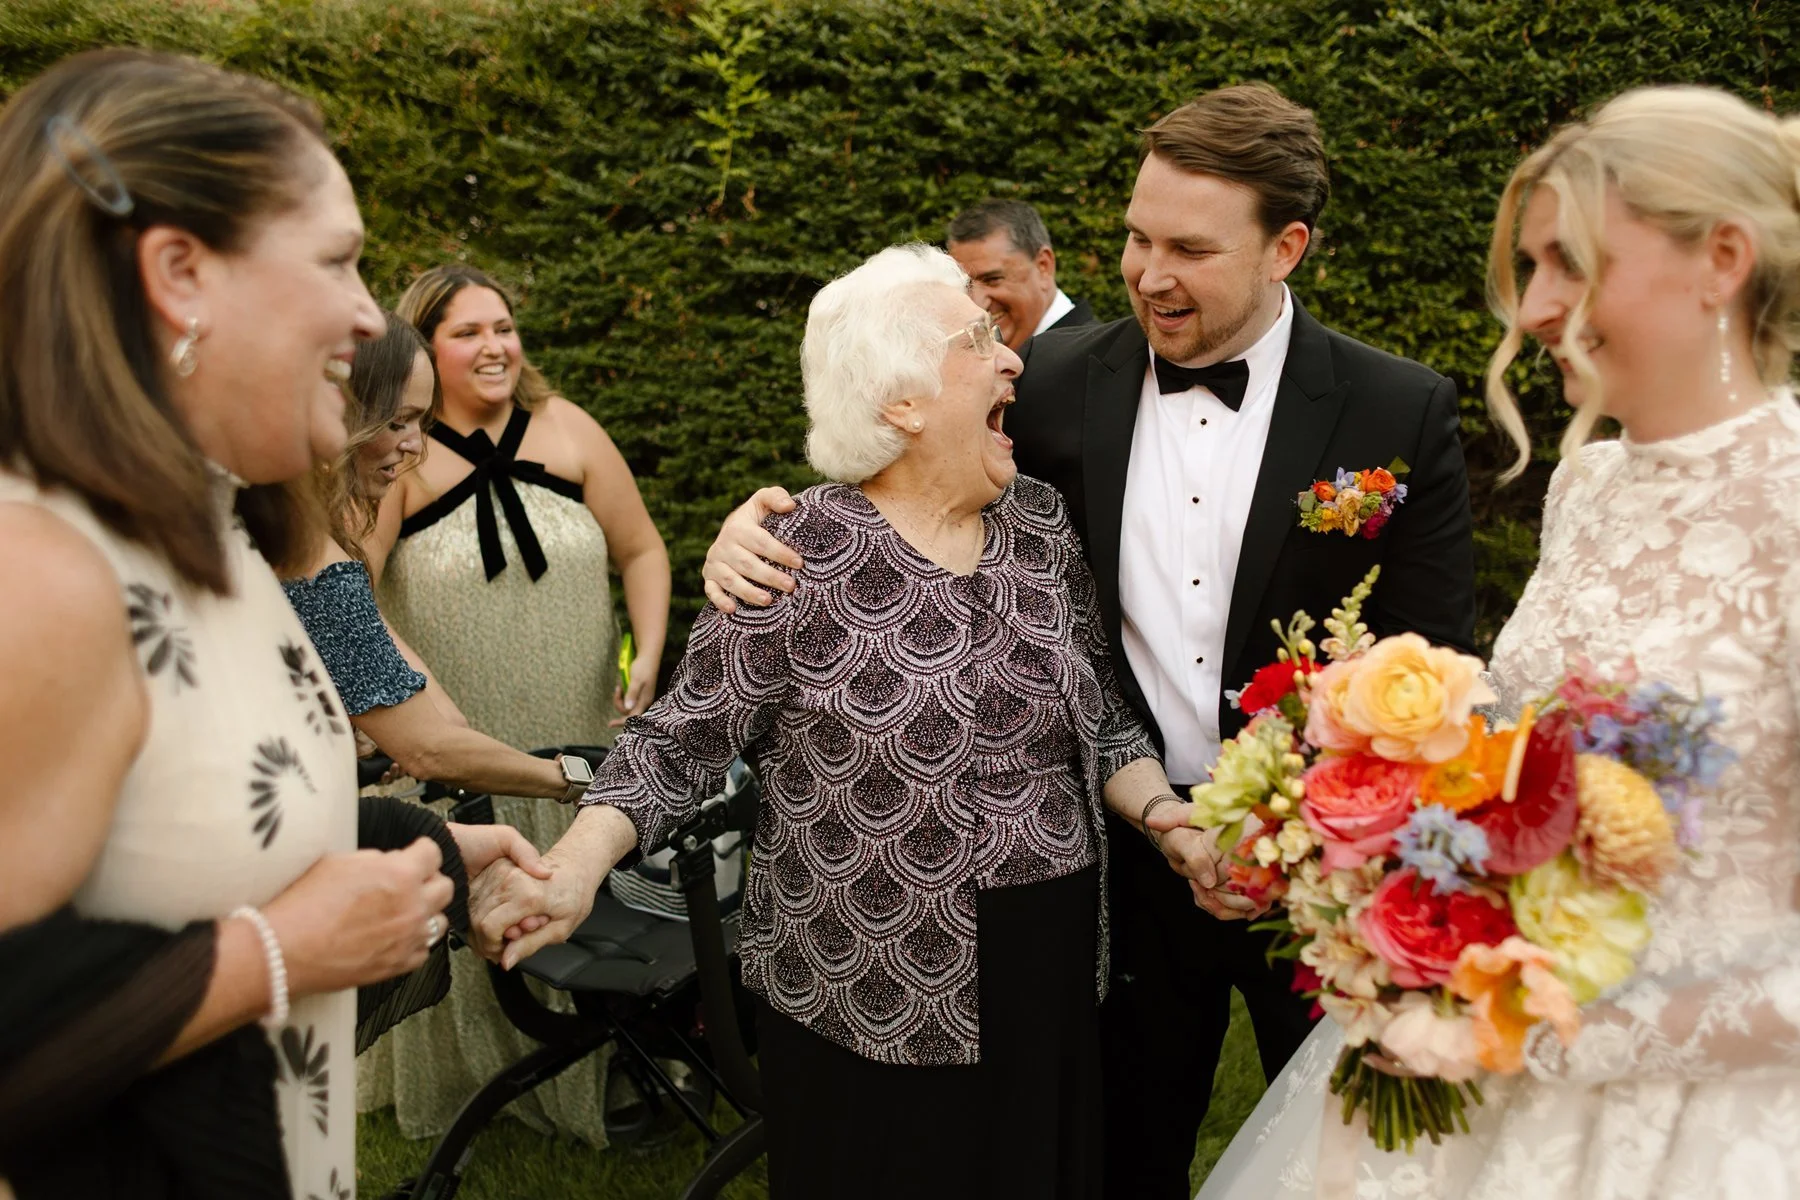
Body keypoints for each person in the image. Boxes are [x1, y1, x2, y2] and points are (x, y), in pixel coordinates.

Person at [702, 83, 1478, 1197]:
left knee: (1363, 1156)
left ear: (1286, 248)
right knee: (1119, 1158)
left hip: (1326, 871)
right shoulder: (1058, 384)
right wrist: (753, 524)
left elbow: (1433, 656)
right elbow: (902, 477)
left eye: (1189, 249)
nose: (1148, 273)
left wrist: (1305, 830)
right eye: (1135, 236)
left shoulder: (1396, 409)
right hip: (1122, 868)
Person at [470, 243, 1201, 1200]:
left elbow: (1101, 719)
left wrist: (1163, 818)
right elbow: (679, 740)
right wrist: (572, 867)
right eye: (978, 338)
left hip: (1051, 961)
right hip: (866, 980)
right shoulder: (794, 554)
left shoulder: (1041, 525)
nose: (1013, 356)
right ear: (901, 403)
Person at [1198, 84, 1800, 1199]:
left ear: (1722, 259)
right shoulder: (1591, 484)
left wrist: (1571, 1021)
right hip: (1483, 1067)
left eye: (1572, 265)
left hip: (1710, 1123)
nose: (1532, 310)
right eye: (1532, 269)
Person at [0, 48, 494, 1199]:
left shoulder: (219, 540)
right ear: (179, 271)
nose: (369, 312)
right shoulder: (48, 573)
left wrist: (422, 856)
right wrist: (284, 954)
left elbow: (172, 847)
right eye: (338, 259)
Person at [357, 264, 671, 1142]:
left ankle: (613, 1060)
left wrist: (646, 651)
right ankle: (486, 1073)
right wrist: (420, 700)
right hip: (459, 725)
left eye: (504, 326)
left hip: (574, 706)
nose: (495, 346)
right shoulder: (399, 453)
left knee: (582, 863)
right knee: (482, 876)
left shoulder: (568, 427)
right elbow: (354, 596)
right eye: (468, 333)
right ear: (423, 348)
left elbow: (642, 548)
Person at [271, 309, 598, 804]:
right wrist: (576, 781)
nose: (413, 444)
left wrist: (438, 719)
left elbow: (429, 713)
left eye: (421, 422)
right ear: (339, 411)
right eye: (396, 421)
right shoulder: (313, 562)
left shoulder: (286, 528)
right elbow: (430, 750)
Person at [948, 198, 1094, 350]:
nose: (977, 303)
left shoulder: (1093, 363)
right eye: (966, 285)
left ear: (1043, 266)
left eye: (992, 279)